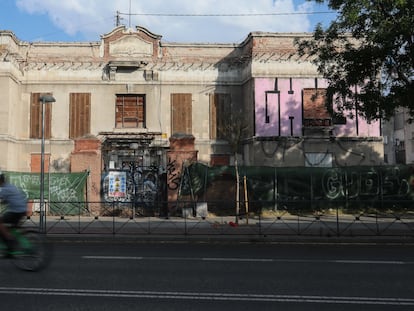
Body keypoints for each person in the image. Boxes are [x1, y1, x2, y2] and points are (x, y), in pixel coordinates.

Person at [0, 173, 27, 256]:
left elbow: (2, 198)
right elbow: (6, 199)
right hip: (21, 210)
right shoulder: (11, 186)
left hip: (16, 211)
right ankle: (10, 247)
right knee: (10, 228)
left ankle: (9, 242)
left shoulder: (4, 189)